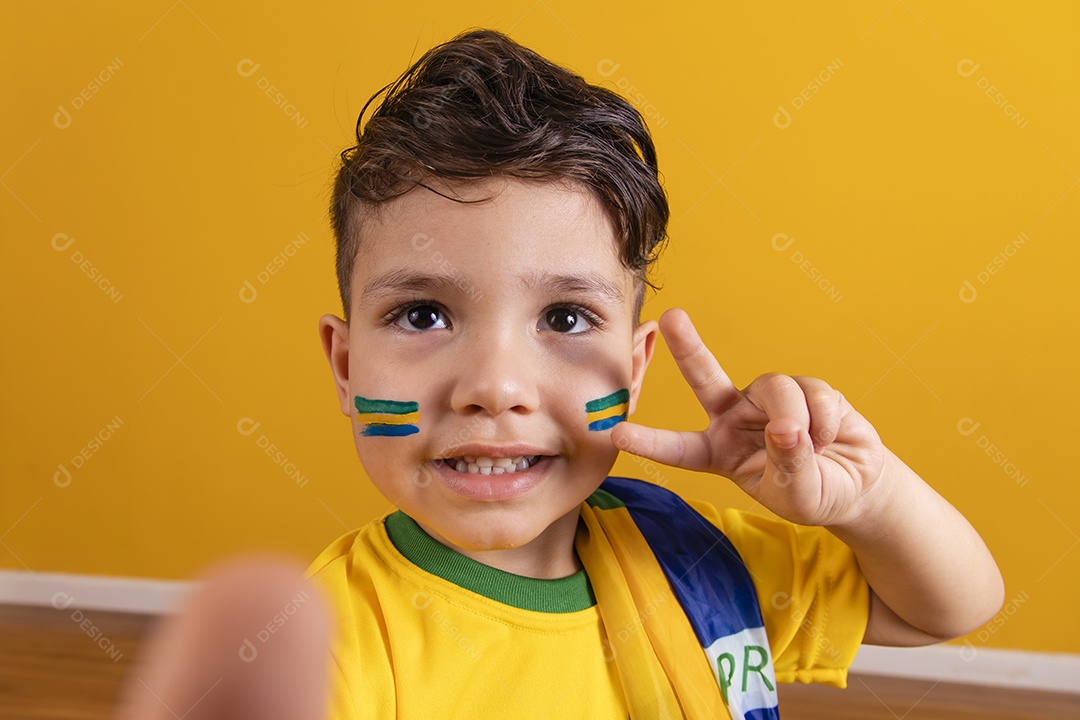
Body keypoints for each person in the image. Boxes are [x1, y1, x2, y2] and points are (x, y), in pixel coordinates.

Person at [119, 27, 1004, 720]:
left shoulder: (696, 561)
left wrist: (869, 498)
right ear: (347, 367)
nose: (494, 386)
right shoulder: (339, 642)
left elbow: (947, 609)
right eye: (423, 314)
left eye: (565, 318)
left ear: (637, 363)